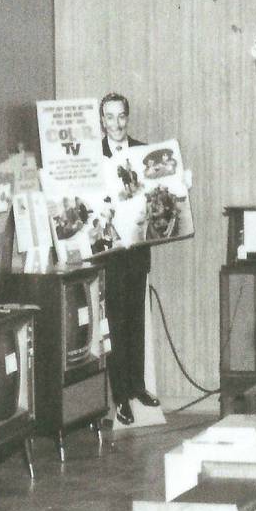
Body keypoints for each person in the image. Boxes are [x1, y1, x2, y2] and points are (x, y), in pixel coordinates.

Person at [98, 92, 157, 425]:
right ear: (101, 120)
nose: (116, 123)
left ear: (127, 118)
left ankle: (138, 387)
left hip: (136, 250)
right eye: (110, 117)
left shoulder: (143, 152)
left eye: (121, 116)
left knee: (136, 320)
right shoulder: (92, 157)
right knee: (116, 325)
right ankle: (120, 398)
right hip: (110, 253)